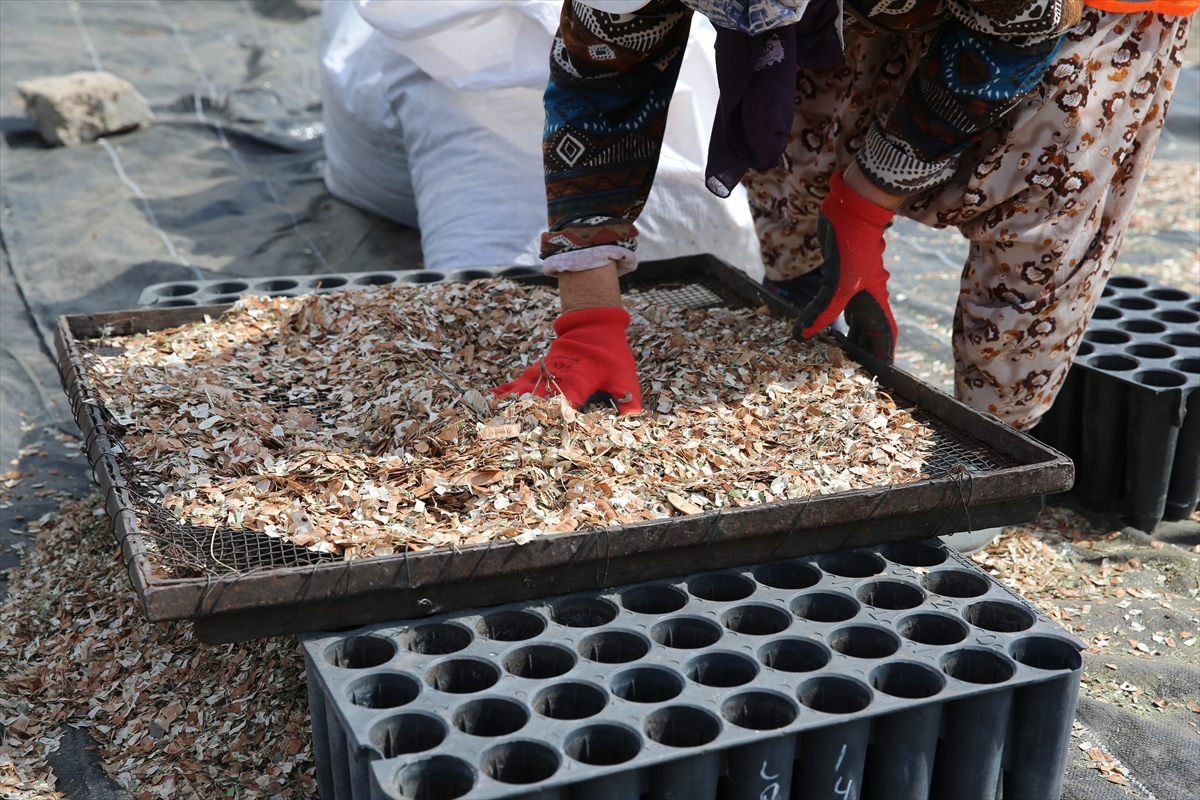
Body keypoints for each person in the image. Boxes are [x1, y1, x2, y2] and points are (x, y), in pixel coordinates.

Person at [493, 0, 1194, 432]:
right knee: (797, 120)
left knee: (1039, 206)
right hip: (875, 5)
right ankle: (808, 302)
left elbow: (1018, 32)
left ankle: (988, 449)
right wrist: (588, 317)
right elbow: (605, 73)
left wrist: (867, 203)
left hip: (1093, 11)